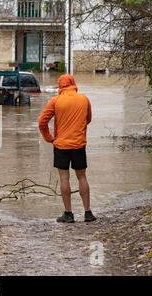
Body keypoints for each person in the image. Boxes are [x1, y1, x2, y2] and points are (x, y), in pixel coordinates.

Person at [39, 74, 96, 223]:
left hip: (61, 145)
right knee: (82, 177)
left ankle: (68, 214)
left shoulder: (55, 101)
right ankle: (88, 213)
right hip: (79, 144)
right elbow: (88, 119)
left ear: (60, 86)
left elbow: (42, 122)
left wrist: (49, 137)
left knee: (64, 178)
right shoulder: (84, 99)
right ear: (73, 84)